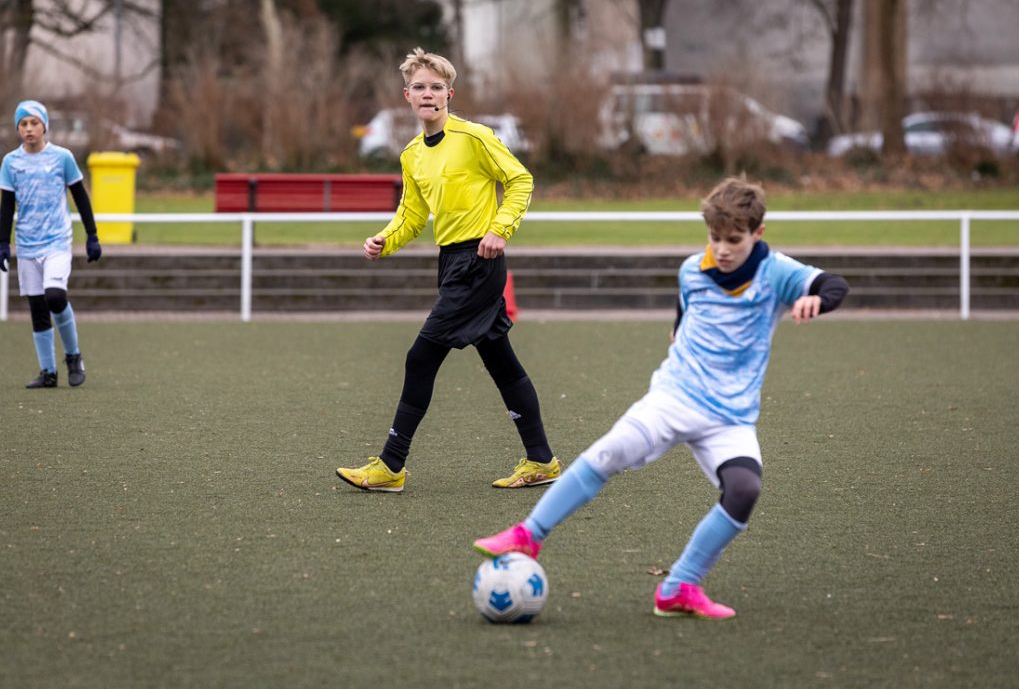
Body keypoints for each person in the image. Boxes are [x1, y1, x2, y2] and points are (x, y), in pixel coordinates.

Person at [473, 177, 850, 619]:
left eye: (734, 240)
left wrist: (815, 303)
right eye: (715, 238)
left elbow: (834, 284)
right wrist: (679, 330)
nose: (723, 249)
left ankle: (679, 587)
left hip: (730, 416)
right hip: (674, 396)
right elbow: (685, 307)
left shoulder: (778, 272)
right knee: (609, 452)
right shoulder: (693, 268)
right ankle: (529, 534)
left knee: (745, 489)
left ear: (757, 234)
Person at [336, 48, 561, 492]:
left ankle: (390, 466)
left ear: (449, 94)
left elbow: (520, 180)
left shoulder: (475, 136)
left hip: (481, 261)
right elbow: (412, 215)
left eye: (436, 87)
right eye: (419, 87)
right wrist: (385, 240)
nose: (428, 94)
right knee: (501, 362)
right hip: (451, 263)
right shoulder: (412, 155)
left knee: (420, 357)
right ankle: (541, 461)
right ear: (407, 96)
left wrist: (500, 229)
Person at [0, 100, 102, 389]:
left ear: (44, 126)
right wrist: (3, 244)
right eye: (23, 124)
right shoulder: (11, 162)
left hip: (57, 241)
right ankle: (48, 372)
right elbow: (6, 206)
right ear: (18, 128)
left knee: (55, 296)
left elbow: (80, 196)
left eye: (34, 123)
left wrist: (92, 235)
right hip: (27, 244)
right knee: (37, 308)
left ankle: (73, 356)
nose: (29, 128)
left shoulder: (62, 157)